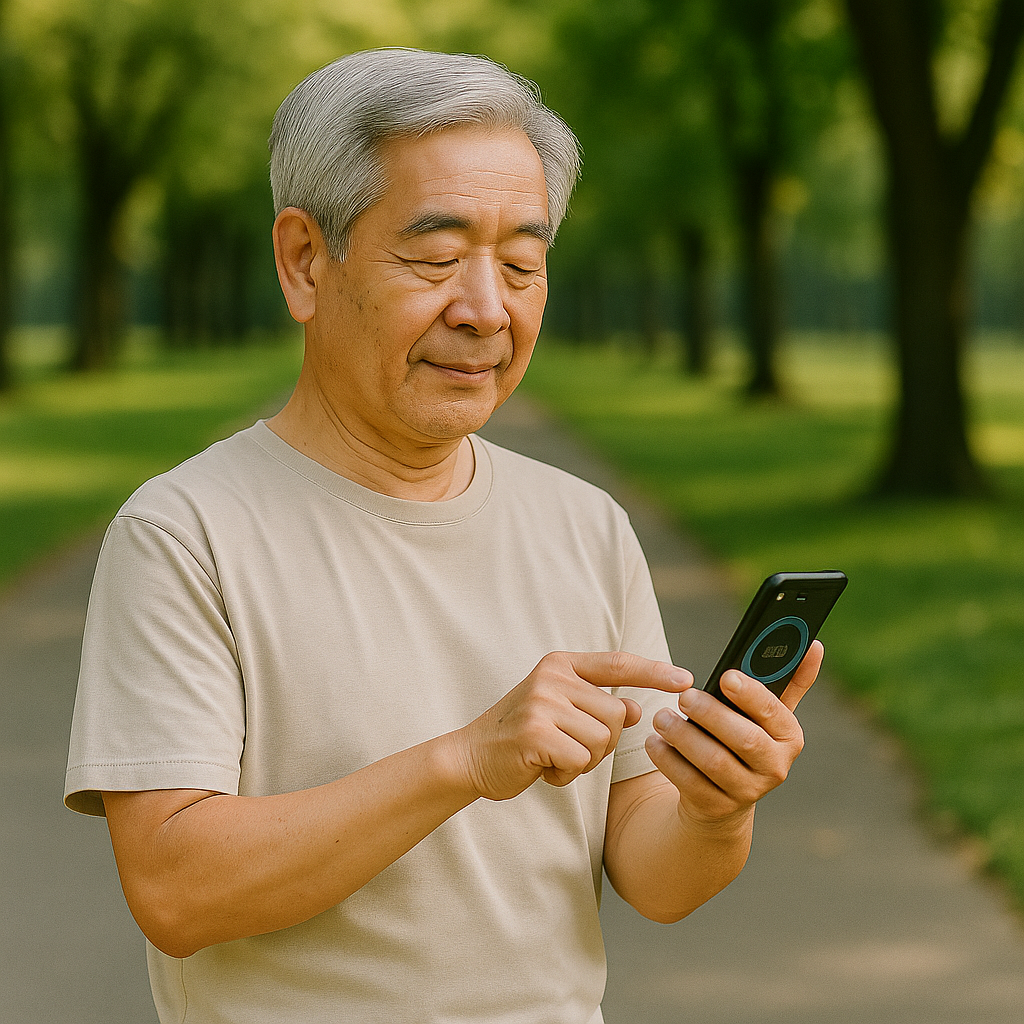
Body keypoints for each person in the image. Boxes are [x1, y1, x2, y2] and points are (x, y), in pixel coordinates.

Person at [65, 47, 822, 1024]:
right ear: (304, 261)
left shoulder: (585, 526)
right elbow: (177, 891)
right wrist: (465, 761)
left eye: (521, 266)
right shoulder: (185, 533)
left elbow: (655, 872)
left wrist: (717, 808)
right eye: (434, 259)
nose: (485, 310)